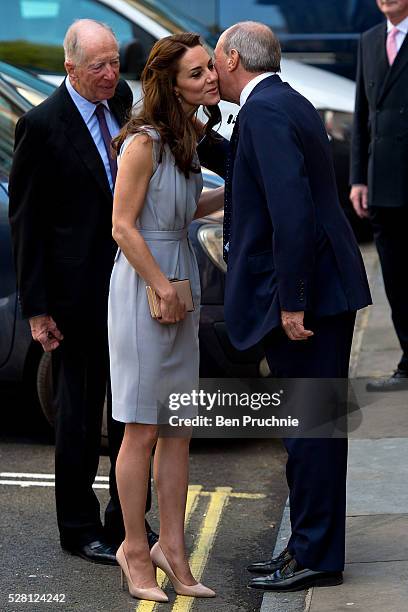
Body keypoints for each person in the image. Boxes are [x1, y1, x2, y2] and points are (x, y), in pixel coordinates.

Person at [212, 22, 372, 592]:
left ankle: (317, 557)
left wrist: (293, 301)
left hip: (314, 300)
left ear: (232, 58)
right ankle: (307, 546)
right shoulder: (279, 102)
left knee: (312, 433)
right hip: (322, 292)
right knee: (307, 429)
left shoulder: (267, 110)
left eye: (214, 61)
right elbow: (252, 170)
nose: (211, 71)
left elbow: (293, 212)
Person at [8, 19, 156, 565]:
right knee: (78, 415)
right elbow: (27, 222)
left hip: (128, 284)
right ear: (70, 67)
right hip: (75, 296)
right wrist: (37, 308)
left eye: (115, 61)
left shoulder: (119, 100)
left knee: (130, 410)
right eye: (98, 65)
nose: (111, 73)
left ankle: (126, 516)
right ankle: (78, 526)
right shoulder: (41, 125)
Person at [108, 33, 223, 602]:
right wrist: (159, 286)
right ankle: (134, 547)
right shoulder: (143, 142)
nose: (210, 78)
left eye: (209, 70)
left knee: (179, 428)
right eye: (198, 73)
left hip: (181, 276)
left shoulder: (188, 137)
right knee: (142, 427)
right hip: (143, 284)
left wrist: (230, 196)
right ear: (170, 83)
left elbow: (182, 206)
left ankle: (172, 550)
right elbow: (123, 225)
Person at [350, 0, 408, 391]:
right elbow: (361, 116)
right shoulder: (369, 40)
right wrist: (358, 178)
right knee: (396, 277)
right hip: (382, 183)